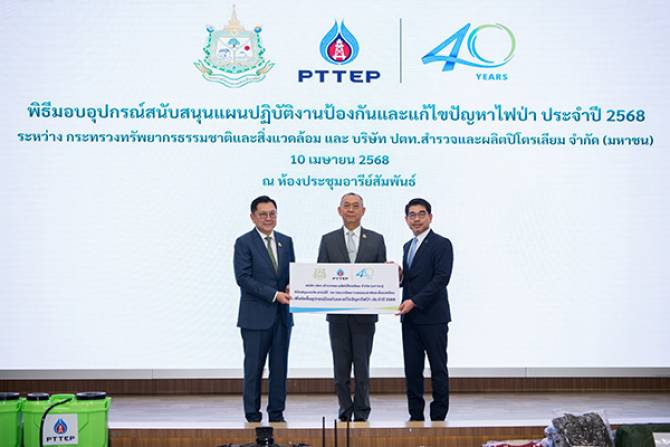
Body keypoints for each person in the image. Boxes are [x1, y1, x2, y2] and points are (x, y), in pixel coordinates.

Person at [317, 192, 387, 422]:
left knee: (362, 369)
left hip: (365, 317)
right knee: (340, 370)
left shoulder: (376, 239)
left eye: (356, 206)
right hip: (337, 317)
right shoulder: (328, 240)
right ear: (339, 210)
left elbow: (381, 276)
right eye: (346, 205)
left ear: (363, 211)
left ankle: (362, 411)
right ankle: (345, 410)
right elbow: (320, 274)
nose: (350, 209)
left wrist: (391, 274)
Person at [233, 195, 295, 423]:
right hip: (255, 318)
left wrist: (293, 285)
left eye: (272, 214)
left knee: (279, 368)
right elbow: (243, 278)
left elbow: (291, 274)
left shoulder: (286, 241)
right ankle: (252, 414)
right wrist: (275, 295)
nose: (268, 218)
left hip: (282, 317)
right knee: (254, 368)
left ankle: (277, 413)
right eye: (263, 214)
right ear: (253, 217)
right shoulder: (244, 242)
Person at [397, 198, 453, 421]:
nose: (417, 219)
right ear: (406, 220)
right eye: (412, 215)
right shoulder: (407, 246)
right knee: (412, 369)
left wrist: (415, 301)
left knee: (438, 368)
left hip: (433, 317)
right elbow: (411, 280)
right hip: (410, 319)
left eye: (421, 214)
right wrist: (396, 276)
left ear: (430, 217)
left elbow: (441, 279)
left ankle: (438, 415)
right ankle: (415, 414)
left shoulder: (442, 243)